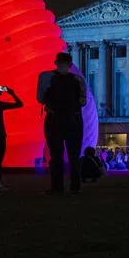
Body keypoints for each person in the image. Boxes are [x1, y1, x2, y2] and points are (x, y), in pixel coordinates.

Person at [37, 52, 86, 195]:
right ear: (70, 64)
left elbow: (40, 98)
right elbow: (83, 101)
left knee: (56, 155)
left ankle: (57, 186)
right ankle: (75, 186)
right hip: (74, 120)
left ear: (55, 62)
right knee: (74, 155)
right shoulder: (78, 80)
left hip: (54, 119)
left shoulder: (46, 77)